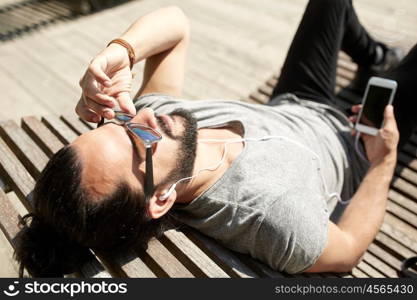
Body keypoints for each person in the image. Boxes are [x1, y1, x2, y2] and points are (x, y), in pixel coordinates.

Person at [14, 1, 416, 277]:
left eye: (117, 123)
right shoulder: (270, 217)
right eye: (138, 140)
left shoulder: (163, 134)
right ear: (161, 198)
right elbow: (347, 248)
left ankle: (375, 56)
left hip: (295, 103)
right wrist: (384, 159)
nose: (146, 114)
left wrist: (120, 52)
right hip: (357, 145)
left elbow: (177, 24)